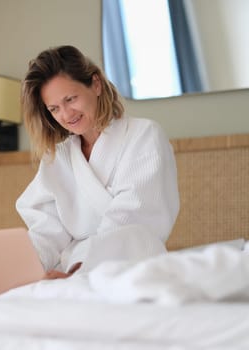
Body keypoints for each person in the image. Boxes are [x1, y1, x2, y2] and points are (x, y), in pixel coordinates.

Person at [17, 45, 179, 279]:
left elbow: (129, 221)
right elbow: (46, 231)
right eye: (54, 109)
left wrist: (79, 270)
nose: (66, 114)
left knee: (126, 240)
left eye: (70, 99)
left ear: (96, 84)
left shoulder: (144, 135)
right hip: (71, 273)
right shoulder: (58, 157)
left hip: (130, 269)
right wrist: (25, 269)